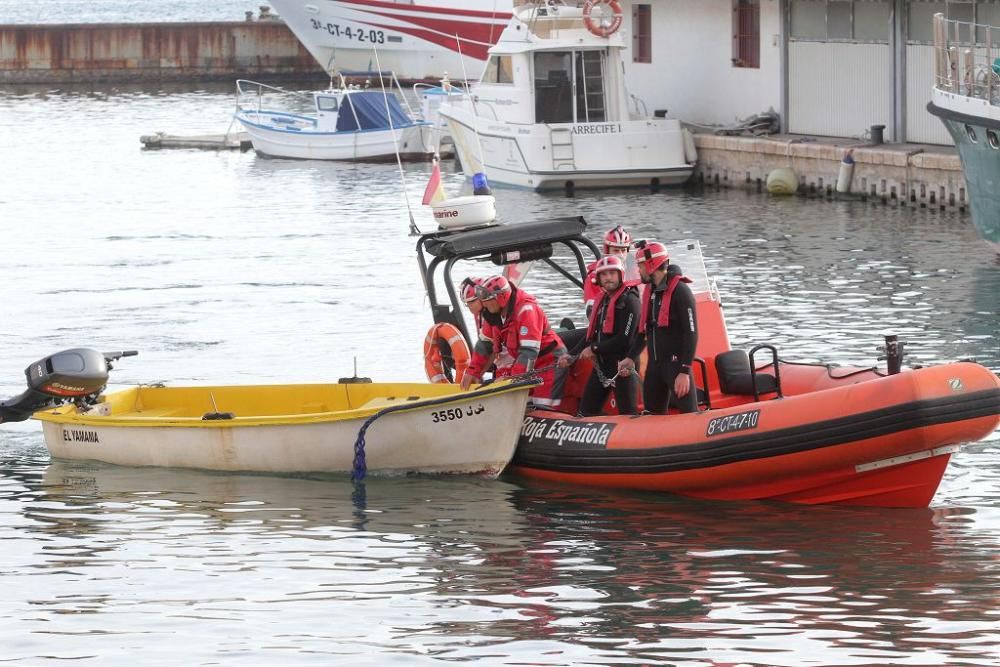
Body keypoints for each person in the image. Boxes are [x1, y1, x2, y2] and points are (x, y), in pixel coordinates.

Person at [461, 275, 568, 409]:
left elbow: (529, 353)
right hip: (528, 366)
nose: (484, 304)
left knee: (543, 405)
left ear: (501, 298)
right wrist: (473, 371)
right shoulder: (493, 315)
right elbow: (485, 345)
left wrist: (513, 379)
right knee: (522, 405)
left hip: (550, 362)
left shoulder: (526, 311)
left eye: (487, 300)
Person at [619, 240, 699, 414]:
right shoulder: (651, 292)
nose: (638, 270)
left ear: (651, 264)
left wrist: (685, 371)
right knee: (652, 416)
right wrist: (631, 357)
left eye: (640, 265)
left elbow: (691, 333)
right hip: (655, 368)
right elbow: (646, 330)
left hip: (676, 366)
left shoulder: (681, 292)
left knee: (690, 414)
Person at [559, 255, 640, 416]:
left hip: (622, 368)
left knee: (628, 413)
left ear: (620, 275)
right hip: (602, 368)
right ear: (598, 278)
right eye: (604, 274)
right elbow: (591, 334)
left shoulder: (630, 301)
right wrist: (571, 355)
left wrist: (594, 348)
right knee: (586, 412)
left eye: (612, 273)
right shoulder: (602, 300)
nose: (608, 278)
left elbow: (625, 340)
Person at [584, 225, 637, 318]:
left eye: (623, 250)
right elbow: (592, 313)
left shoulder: (635, 271)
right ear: (607, 251)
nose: (620, 254)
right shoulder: (594, 277)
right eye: (616, 250)